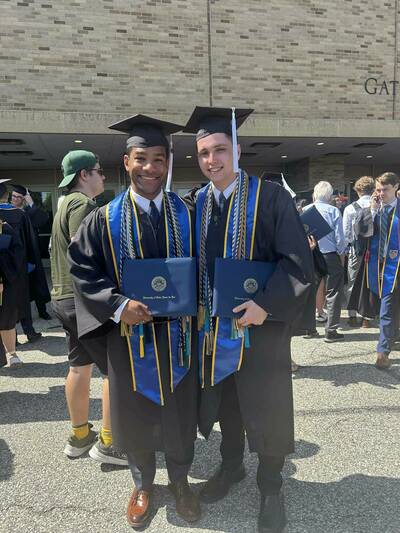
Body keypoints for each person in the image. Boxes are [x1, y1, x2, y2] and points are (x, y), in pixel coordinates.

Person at [183, 107, 313, 533]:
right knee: (228, 407)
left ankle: (271, 486)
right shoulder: (196, 204)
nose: (212, 160)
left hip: (262, 329)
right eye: (204, 153)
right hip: (214, 332)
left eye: (220, 149)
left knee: (269, 409)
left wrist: (267, 305)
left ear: (237, 150)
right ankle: (232, 466)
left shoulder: (270, 197)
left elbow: (298, 263)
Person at [68, 117, 200, 529]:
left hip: (180, 337)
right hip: (131, 337)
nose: (150, 168)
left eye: (158, 159)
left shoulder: (190, 214)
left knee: (180, 412)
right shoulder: (103, 219)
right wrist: (117, 304)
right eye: (141, 159)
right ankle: (143, 485)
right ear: (126, 162)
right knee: (136, 413)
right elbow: (83, 269)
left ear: (168, 162)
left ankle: (180, 482)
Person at [50, 150, 126, 465]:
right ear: (84, 175)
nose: (103, 176)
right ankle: (109, 443)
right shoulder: (83, 205)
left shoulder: (63, 205)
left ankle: (80, 436)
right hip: (83, 300)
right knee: (114, 370)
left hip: (62, 298)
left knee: (78, 367)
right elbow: (90, 255)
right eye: (98, 170)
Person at [349, 172, 400, 369]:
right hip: (374, 266)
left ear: (396, 187)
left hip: (395, 268)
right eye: (378, 189)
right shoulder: (372, 209)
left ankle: (382, 351)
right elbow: (360, 233)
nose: (381, 193)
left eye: (385, 189)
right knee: (381, 308)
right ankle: (390, 336)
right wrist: (372, 211)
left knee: (387, 308)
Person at [0, 179, 37, 367]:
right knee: (8, 313)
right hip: (11, 273)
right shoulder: (18, 215)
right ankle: (12, 353)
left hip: (7, 273)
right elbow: (23, 246)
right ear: (6, 196)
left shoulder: (15, 216)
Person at [304, 181, 346, 342]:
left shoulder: (305, 210)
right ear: (329, 197)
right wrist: (342, 254)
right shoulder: (334, 210)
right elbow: (340, 238)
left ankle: (309, 328)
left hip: (311, 254)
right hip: (330, 255)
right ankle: (331, 330)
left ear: (314, 194)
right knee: (334, 291)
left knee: (310, 289)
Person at [11, 184, 50, 340]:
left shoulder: (27, 213)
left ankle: (41, 312)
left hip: (29, 258)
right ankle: (15, 331)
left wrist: (30, 200)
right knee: (15, 296)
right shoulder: (6, 212)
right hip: (12, 260)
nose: (15, 199)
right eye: (13, 196)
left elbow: (43, 219)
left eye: (18, 197)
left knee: (36, 286)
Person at [343, 176, 375, 328]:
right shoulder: (377, 206)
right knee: (370, 282)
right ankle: (367, 317)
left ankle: (352, 316)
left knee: (352, 282)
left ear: (357, 190)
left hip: (357, 251)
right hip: (373, 251)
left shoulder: (350, 208)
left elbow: (346, 234)